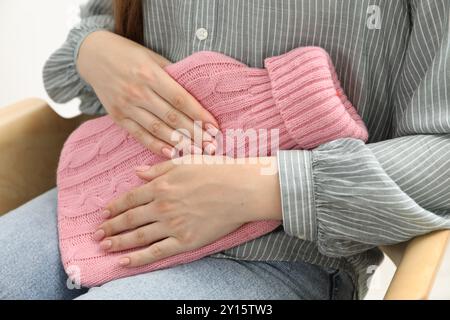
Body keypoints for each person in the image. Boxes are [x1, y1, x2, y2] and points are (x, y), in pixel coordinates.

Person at [1, 0, 449, 300]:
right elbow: (93, 31)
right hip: (105, 197)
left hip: (284, 255)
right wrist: (93, 51)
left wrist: (264, 188)